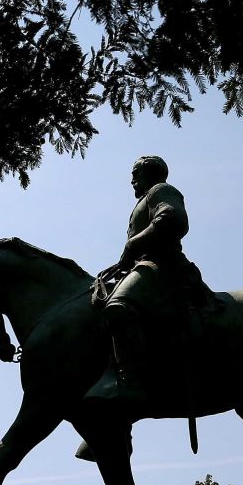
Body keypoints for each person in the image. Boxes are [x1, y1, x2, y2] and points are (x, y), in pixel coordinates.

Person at [94, 155, 194, 402]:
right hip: (143, 266)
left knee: (117, 307)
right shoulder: (144, 200)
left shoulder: (161, 190)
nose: (132, 180)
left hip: (162, 266)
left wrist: (132, 244)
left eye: (136, 173)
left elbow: (172, 218)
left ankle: (131, 381)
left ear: (151, 174)